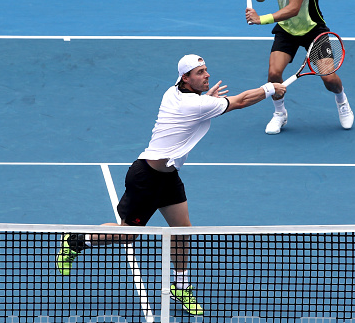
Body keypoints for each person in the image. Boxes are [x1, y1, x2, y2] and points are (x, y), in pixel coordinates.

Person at [56, 54, 286, 316]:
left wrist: (205, 99)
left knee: (182, 230)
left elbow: (199, 105)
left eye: (206, 70)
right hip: (146, 179)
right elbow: (241, 101)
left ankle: (181, 286)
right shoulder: (194, 104)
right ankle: (76, 240)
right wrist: (270, 88)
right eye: (200, 72)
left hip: (168, 177)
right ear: (186, 78)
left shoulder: (174, 91)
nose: (207, 75)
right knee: (127, 234)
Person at [242, 0, 354, 135]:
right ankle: (279, 113)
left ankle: (342, 100)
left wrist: (261, 19)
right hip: (287, 30)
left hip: (312, 29)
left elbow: (293, 8)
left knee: (329, 79)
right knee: (274, 74)